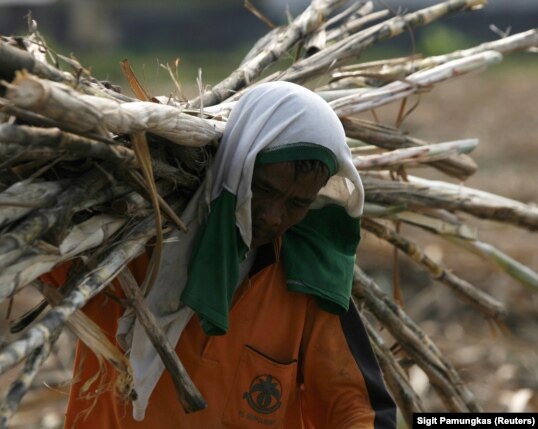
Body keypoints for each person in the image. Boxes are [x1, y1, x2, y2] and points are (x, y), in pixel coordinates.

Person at [47, 81, 396, 428]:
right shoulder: (131, 242)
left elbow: (356, 408)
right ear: (237, 165)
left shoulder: (306, 283)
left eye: (297, 204)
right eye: (262, 189)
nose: (274, 217)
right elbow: (31, 248)